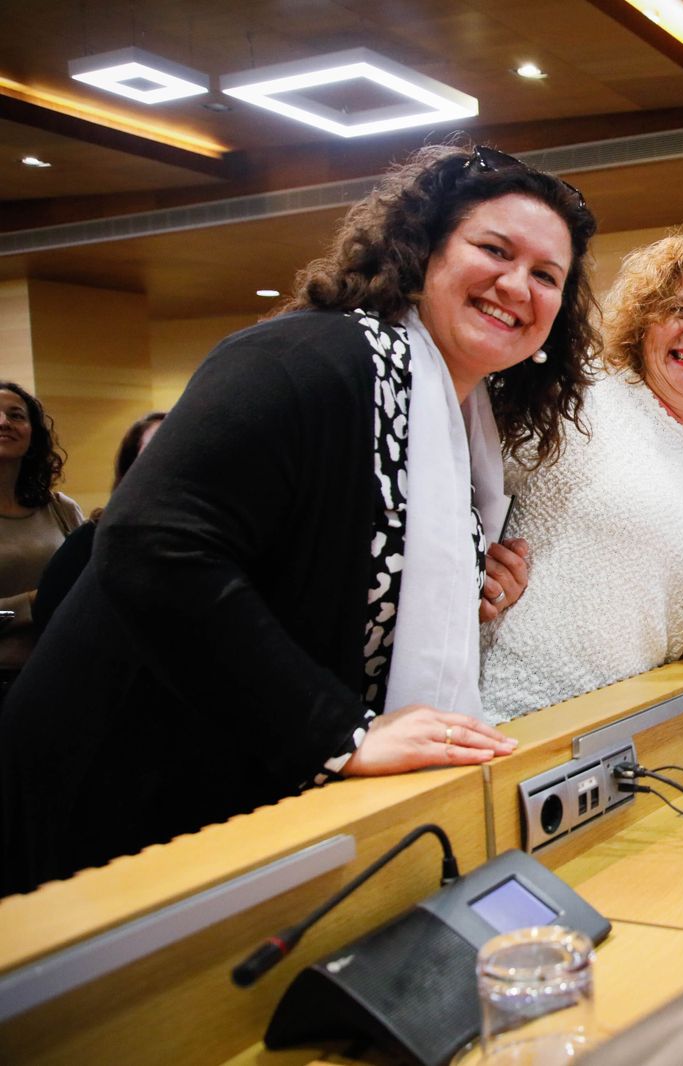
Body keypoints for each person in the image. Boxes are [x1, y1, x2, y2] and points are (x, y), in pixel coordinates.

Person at [0, 143, 599, 895]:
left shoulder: (460, 423)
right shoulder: (312, 356)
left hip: (238, 791)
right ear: (421, 253)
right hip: (118, 786)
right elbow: (153, 546)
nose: (517, 284)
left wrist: (457, 591)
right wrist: (335, 732)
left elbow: (331, 580)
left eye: (547, 275)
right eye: (493, 249)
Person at [478, 232, 683, 721]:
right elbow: (456, 477)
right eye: (680, 310)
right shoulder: (575, 396)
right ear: (644, 320)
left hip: (619, 730)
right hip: (512, 715)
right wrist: (469, 564)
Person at [33, 411, 164, 633]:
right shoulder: (90, 541)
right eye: (158, 449)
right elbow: (50, 618)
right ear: (131, 469)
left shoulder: (219, 536)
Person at [0, 382, 84, 679]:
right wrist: (33, 603)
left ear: (33, 434)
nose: (4, 422)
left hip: (61, 675)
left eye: (16, 415)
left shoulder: (61, 508)